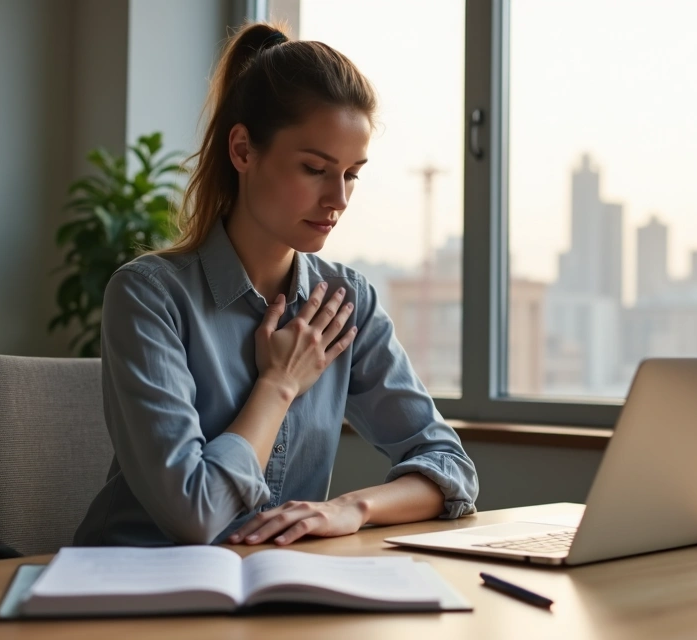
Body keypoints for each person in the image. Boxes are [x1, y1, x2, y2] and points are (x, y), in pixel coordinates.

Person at [73, 22, 478, 547]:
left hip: (274, 579)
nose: (339, 199)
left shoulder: (346, 302)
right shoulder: (149, 296)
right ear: (243, 150)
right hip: (133, 579)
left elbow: (451, 467)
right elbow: (194, 514)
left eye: (351, 174)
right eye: (314, 168)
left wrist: (351, 508)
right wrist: (279, 384)